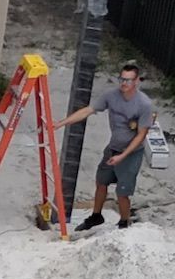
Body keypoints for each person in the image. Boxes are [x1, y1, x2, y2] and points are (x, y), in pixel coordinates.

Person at [63, 59, 156, 232]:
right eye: (122, 79)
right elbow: (88, 110)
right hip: (113, 147)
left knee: (122, 192)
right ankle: (96, 216)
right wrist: (61, 123)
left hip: (131, 153)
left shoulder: (144, 104)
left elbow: (142, 135)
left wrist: (123, 156)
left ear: (136, 81)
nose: (124, 83)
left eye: (128, 80)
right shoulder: (111, 96)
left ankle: (124, 222)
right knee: (101, 182)